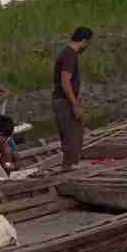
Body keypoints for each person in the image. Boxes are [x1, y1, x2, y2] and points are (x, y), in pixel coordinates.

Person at [53, 26, 92, 170]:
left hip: (66, 101)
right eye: (87, 43)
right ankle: (68, 167)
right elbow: (65, 81)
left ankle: (70, 165)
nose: (86, 46)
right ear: (83, 41)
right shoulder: (70, 54)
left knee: (75, 133)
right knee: (71, 135)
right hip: (65, 102)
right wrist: (75, 105)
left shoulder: (67, 52)